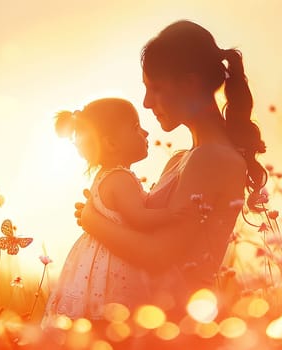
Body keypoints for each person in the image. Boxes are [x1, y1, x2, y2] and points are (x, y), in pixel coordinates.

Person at [77, 20, 267, 316]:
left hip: (176, 321)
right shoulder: (182, 158)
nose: (147, 102)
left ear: (190, 84)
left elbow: (160, 255)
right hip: (151, 314)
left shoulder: (213, 158)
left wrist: (92, 221)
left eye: (155, 88)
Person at [42, 97, 181, 328]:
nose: (145, 133)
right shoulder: (121, 178)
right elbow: (139, 218)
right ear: (111, 144)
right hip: (116, 269)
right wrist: (174, 213)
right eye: (136, 128)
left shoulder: (108, 176)